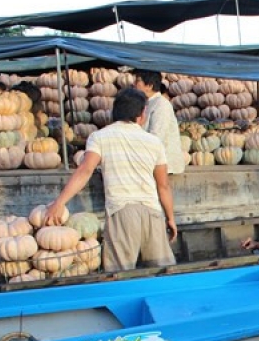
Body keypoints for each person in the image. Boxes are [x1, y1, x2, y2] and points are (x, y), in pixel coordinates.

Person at [44, 87, 177, 272]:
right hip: (152, 212)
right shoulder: (154, 142)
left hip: (121, 212)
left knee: (120, 273)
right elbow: (163, 186)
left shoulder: (99, 137)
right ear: (141, 114)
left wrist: (59, 202)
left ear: (115, 112)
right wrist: (170, 218)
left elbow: (84, 171)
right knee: (163, 272)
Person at [131, 69, 186, 176]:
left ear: (149, 86)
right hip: (153, 163)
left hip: (163, 166)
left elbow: (157, 137)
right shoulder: (148, 103)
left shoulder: (161, 105)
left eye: (137, 81)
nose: (134, 84)